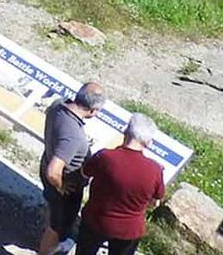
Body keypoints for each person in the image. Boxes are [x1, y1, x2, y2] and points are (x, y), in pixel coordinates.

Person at [75, 113, 166, 255]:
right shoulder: (156, 170)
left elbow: (84, 174)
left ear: (125, 132)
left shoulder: (105, 156)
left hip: (96, 220)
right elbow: (155, 202)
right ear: (148, 142)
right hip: (130, 230)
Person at [38, 82, 107, 255]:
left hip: (45, 161)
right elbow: (54, 171)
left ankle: (48, 235)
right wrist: (60, 186)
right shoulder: (73, 137)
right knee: (58, 226)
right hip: (65, 186)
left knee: (54, 213)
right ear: (92, 110)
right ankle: (47, 250)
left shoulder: (58, 105)